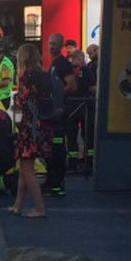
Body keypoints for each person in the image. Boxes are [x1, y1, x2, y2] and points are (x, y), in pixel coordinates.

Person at [8, 45, 62, 217]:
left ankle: (39, 207)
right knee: (25, 167)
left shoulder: (26, 77)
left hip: (29, 126)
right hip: (43, 125)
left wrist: (16, 107)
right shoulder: (44, 75)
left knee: (27, 168)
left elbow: (22, 102)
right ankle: (17, 205)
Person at [45, 33, 79, 197]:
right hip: (53, 113)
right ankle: (52, 181)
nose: (51, 46)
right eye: (50, 43)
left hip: (59, 113)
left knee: (57, 149)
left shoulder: (63, 63)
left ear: (61, 46)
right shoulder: (54, 63)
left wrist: (55, 97)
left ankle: (56, 184)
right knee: (51, 148)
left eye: (55, 44)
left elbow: (71, 86)